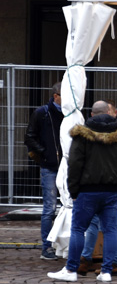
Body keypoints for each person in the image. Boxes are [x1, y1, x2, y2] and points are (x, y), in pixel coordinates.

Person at [47, 101, 117, 283]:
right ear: (109, 112)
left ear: (91, 114)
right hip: (112, 190)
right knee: (111, 229)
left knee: (78, 228)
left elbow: (75, 164)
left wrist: (73, 190)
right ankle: (107, 271)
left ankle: (71, 269)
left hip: (87, 190)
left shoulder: (82, 134)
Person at [78, 100, 117, 276]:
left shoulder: (85, 133)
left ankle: (84, 260)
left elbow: (77, 161)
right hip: (111, 185)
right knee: (111, 226)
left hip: (92, 185)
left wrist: (75, 186)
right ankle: (112, 263)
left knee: (88, 224)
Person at [25, 81, 63, 261]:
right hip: (50, 166)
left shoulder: (71, 113)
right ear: (56, 96)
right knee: (50, 208)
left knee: (69, 207)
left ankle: (64, 244)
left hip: (68, 166)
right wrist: (45, 152)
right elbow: (29, 137)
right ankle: (46, 246)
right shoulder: (42, 113)